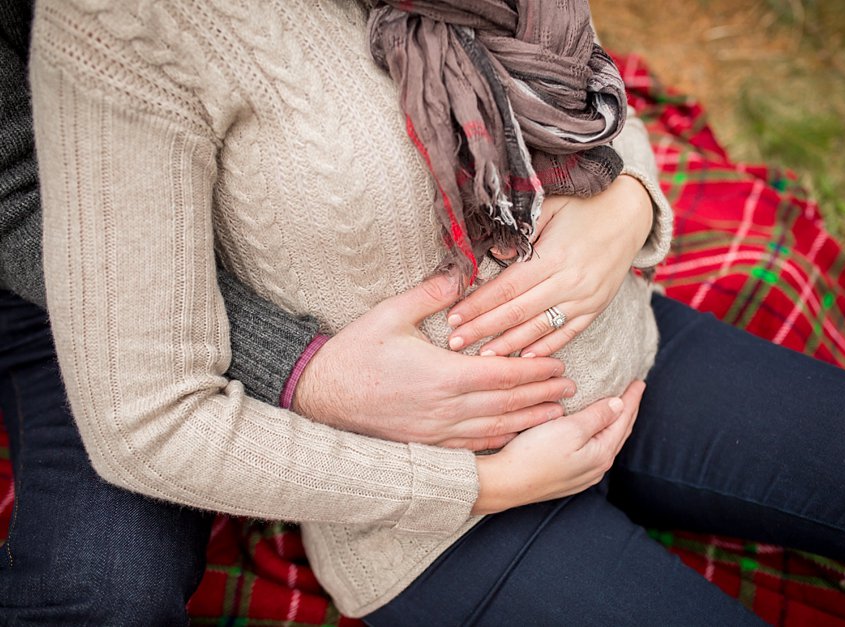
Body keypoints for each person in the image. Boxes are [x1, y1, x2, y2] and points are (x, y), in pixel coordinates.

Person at [28, 0, 845, 625]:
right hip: (435, 522)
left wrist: (629, 205)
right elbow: (145, 420)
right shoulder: (120, 28)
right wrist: (480, 486)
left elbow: (595, 90)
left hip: (632, 356)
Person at [0, 1, 576, 622]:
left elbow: (576, 72)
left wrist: (628, 202)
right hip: (57, 279)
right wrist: (299, 368)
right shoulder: (105, 31)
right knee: (105, 588)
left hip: (212, 225)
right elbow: (15, 195)